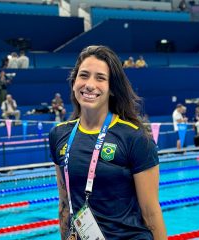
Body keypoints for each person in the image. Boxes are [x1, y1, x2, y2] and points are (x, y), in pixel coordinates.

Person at [49, 46, 166, 240]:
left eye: (100, 78)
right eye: (84, 75)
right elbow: (64, 204)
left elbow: (151, 212)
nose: (89, 84)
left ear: (112, 88)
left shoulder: (135, 137)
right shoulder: (59, 134)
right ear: (74, 81)